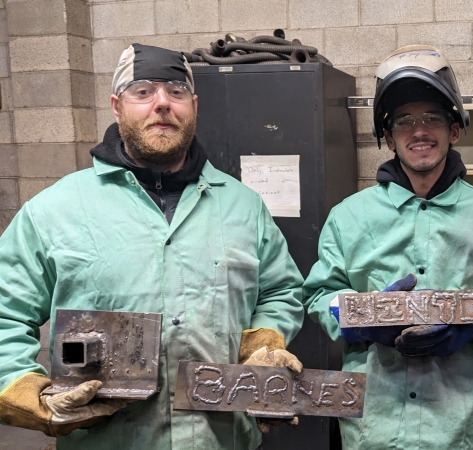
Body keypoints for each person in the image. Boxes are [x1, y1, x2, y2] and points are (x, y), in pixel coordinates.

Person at [0, 44, 306, 449]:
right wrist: (23, 388)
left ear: (193, 106)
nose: (162, 103)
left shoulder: (243, 206)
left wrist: (265, 341)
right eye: (142, 91)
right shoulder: (55, 210)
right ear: (116, 105)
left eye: (176, 92)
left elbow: (281, 290)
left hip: (219, 439)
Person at [302, 45, 473, 449]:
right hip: (374, 426)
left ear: (455, 129)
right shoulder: (349, 217)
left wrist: (470, 325)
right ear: (387, 137)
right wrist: (363, 317)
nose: (419, 130)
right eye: (404, 121)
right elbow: (318, 296)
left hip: (459, 425)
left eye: (432, 117)